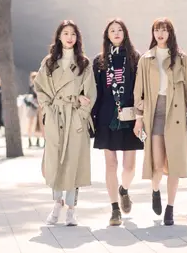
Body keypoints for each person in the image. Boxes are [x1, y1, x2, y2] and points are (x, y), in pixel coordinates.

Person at [133, 18, 187, 226]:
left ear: (170, 33)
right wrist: (138, 119)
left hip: (177, 114)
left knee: (175, 163)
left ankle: (170, 208)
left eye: (164, 30)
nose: (160, 34)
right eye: (156, 30)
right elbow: (138, 91)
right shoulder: (146, 59)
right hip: (153, 114)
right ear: (152, 33)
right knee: (158, 163)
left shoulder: (181, 58)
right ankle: (155, 191)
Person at [34, 20, 97, 226]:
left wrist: (81, 112)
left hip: (75, 119)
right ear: (59, 37)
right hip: (55, 116)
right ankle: (56, 204)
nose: (69, 37)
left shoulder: (84, 63)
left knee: (73, 162)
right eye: (65, 33)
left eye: (73, 34)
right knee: (55, 162)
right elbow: (40, 88)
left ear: (77, 38)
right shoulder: (49, 62)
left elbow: (90, 93)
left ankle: (71, 209)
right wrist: (48, 109)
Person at [91, 19, 143, 226]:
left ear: (125, 33)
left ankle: (124, 190)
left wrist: (141, 115)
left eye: (119, 29)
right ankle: (114, 209)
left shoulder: (135, 58)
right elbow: (96, 90)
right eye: (112, 30)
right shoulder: (100, 61)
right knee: (110, 164)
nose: (116, 33)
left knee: (129, 167)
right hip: (106, 116)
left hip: (130, 116)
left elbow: (141, 88)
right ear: (107, 36)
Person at [25, 71, 43, 148]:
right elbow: (28, 96)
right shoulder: (31, 87)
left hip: (39, 107)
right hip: (32, 107)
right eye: (32, 78)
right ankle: (29, 140)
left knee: (40, 124)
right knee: (31, 123)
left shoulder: (39, 86)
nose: (33, 80)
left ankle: (38, 140)